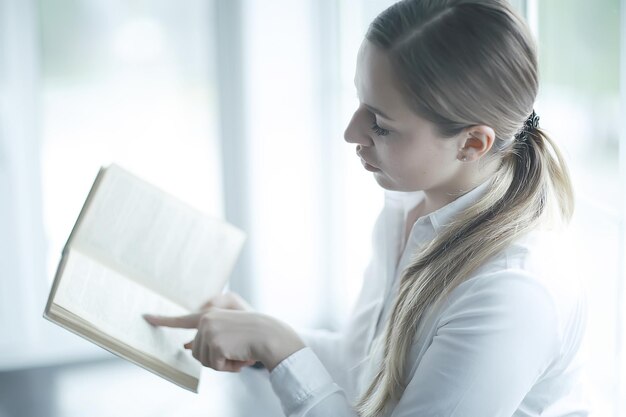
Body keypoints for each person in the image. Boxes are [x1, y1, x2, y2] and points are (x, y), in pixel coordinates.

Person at [143, 0, 588, 415]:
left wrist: (280, 347)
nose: (351, 132)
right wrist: (261, 336)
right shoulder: (408, 207)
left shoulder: (512, 293)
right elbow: (370, 366)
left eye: (381, 124)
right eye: (360, 101)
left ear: (473, 143)